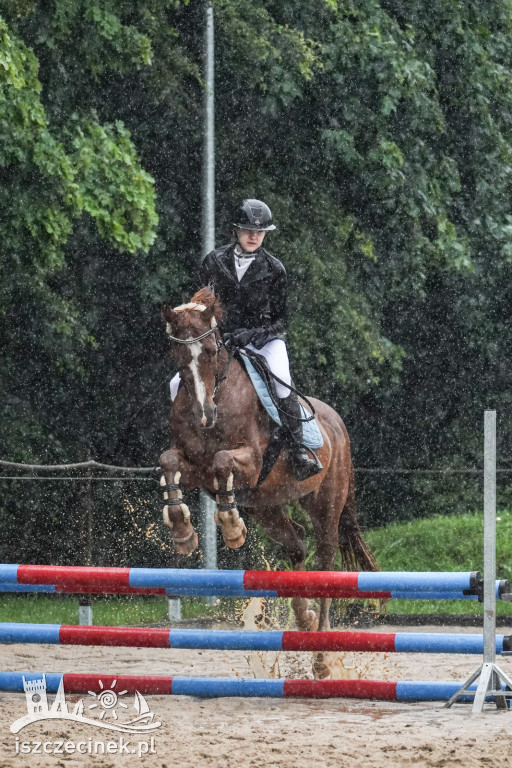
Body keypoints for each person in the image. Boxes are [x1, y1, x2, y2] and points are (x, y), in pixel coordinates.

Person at [170, 198, 321, 481]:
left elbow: (281, 320)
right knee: (177, 382)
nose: (254, 236)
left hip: (264, 340)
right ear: (235, 231)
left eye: (260, 231)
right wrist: (212, 333)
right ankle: (182, 443)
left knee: (279, 379)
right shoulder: (213, 262)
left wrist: (252, 334)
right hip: (220, 340)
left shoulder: (275, 269)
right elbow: (199, 307)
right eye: (248, 230)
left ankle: (299, 450)